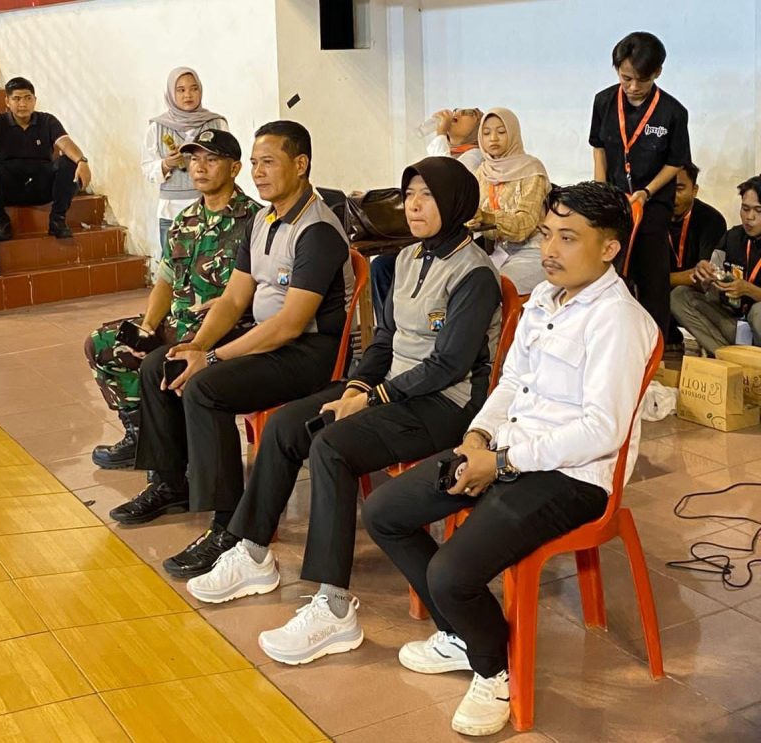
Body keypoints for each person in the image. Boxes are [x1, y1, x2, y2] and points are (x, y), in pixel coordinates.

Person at [362, 181, 657, 737]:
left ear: (610, 248)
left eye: (568, 238)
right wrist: (478, 438)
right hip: (510, 451)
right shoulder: (544, 298)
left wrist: (502, 464)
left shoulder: (618, 319)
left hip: (573, 477)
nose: (550, 250)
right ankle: (464, 634)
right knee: (385, 511)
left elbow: (601, 431)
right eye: (546, 234)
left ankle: (493, 671)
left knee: (451, 572)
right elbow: (511, 383)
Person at [185, 156, 502, 669]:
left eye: (427, 196)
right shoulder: (404, 258)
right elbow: (384, 341)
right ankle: (254, 551)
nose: (414, 206)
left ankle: (334, 607)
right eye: (410, 195)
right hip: (394, 389)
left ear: (457, 202)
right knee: (288, 425)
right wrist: (357, 385)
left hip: (445, 404)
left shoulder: (475, 273)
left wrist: (371, 400)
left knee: (331, 447)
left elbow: (448, 365)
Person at [111, 121, 353, 571]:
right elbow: (234, 298)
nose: (259, 173)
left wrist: (212, 357)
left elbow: (289, 325)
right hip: (269, 341)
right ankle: (171, 484)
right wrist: (196, 345)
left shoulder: (317, 229)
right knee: (161, 364)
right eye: (256, 163)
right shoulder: (264, 220)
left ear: (301, 165)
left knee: (206, 388)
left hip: (311, 354)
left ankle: (228, 525)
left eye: (269, 162)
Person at [85, 130, 259, 469]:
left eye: (212, 159)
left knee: (161, 362)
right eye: (194, 159)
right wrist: (149, 327)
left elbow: (263, 291)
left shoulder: (254, 221)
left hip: (224, 331)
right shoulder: (185, 220)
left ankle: (173, 457)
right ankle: (140, 436)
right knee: (102, 344)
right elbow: (166, 280)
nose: (200, 168)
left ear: (235, 168)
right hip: (178, 324)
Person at [590, 31, 691, 337]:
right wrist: (600, 192)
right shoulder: (604, 101)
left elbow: (675, 162)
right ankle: (607, 337)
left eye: (642, 80)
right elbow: (599, 148)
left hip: (652, 201)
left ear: (657, 72)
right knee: (606, 271)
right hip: (615, 200)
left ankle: (653, 345)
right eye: (626, 78)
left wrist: (646, 192)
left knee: (651, 277)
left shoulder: (673, 112)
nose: (633, 87)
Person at [371, 107, 484, 321]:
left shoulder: (475, 156)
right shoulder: (450, 152)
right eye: (409, 194)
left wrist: (440, 133)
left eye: (467, 112)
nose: (455, 114)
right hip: (431, 241)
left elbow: (444, 183)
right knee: (382, 265)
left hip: (459, 241)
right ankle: (389, 325)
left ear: (478, 126)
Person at [0, 76, 91, 241]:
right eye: (16, 99)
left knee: (69, 162)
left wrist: (82, 161)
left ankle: (57, 220)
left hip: (40, 186)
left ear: (35, 100)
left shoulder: (47, 121)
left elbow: (65, 143)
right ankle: (0, 220)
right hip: (6, 189)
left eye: (28, 98)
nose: (23, 104)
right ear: (7, 101)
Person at [141, 67, 229, 264]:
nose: (188, 95)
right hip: (172, 210)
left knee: (209, 264)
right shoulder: (157, 127)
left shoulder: (216, 124)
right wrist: (166, 164)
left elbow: (227, 162)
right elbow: (147, 168)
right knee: (172, 267)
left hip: (211, 208)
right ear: (171, 94)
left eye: (193, 89)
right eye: (180, 90)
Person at [671, 175, 761, 355]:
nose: (749, 217)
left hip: (758, 322)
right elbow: (709, 283)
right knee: (679, 296)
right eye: (745, 209)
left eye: (758, 211)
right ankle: (727, 357)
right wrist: (705, 275)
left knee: (758, 311)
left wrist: (749, 290)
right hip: (735, 323)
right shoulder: (732, 237)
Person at [472, 107, 551, 294]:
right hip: (497, 251)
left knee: (490, 287)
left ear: (514, 133)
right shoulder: (482, 172)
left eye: (501, 132)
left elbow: (525, 224)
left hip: (533, 250)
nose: (493, 138)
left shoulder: (531, 169)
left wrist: (487, 217)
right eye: (486, 133)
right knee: (461, 282)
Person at [667, 162, 726, 347]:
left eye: (679, 189)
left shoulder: (711, 219)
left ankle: (721, 351)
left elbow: (703, 278)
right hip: (658, 293)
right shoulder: (651, 218)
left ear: (694, 190)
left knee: (679, 294)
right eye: (667, 189)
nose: (672, 196)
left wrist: (660, 280)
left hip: (695, 294)